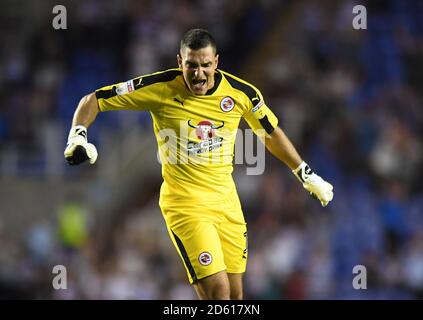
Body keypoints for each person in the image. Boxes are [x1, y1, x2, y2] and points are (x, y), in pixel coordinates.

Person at [64, 28, 333, 300]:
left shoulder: (241, 94)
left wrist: (304, 173)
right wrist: (78, 135)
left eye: (205, 65)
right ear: (180, 62)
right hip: (186, 205)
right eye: (191, 65)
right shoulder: (160, 88)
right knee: (218, 292)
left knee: (236, 295)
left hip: (227, 204)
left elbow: (270, 133)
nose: (198, 73)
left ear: (216, 62)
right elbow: (94, 100)